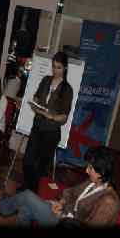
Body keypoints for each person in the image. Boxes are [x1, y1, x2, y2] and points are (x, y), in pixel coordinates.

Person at [0, 146, 120, 227]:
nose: (86, 170)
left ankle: (3, 208)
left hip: (66, 224)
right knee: (25, 209)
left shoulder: (108, 202)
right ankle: (4, 208)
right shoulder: (94, 181)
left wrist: (63, 216)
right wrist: (61, 202)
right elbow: (72, 192)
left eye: (90, 168)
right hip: (65, 213)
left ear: (101, 172)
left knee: (27, 196)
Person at [21, 52, 74, 192]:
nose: (55, 70)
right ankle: (26, 187)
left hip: (51, 132)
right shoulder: (46, 80)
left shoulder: (67, 90)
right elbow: (37, 97)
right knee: (28, 160)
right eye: (53, 66)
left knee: (41, 166)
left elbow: (64, 117)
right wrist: (35, 103)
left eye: (58, 67)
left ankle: (33, 192)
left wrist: (52, 117)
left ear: (65, 68)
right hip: (37, 126)